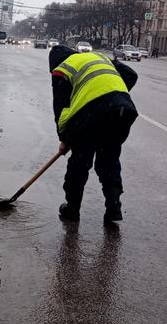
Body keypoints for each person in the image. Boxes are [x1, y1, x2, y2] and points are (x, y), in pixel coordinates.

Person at [49, 45, 138, 224]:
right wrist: (113, 95)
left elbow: (61, 110)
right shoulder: (98, 57)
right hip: (123, 109)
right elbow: (131, 75)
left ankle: (72, 209)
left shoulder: (61, 70)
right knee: (109, 159)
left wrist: (64, 139)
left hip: (92, 114)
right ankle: (113, 207)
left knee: (80, 162)